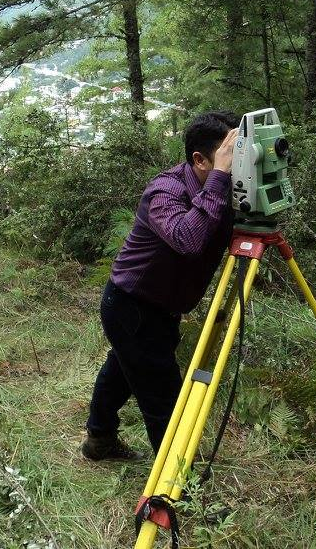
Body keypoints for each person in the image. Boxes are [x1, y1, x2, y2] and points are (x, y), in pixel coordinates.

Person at [82, 111, 239, 460]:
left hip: (161, 306)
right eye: (230, 155)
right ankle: (174, 489)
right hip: (132, 307)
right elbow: (188, 238)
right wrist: (219, 179)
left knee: (122, 370)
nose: (236, 164)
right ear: (200, 159)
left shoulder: (225, 189)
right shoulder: (165, 191)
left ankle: (99, 440)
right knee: (163, 397)